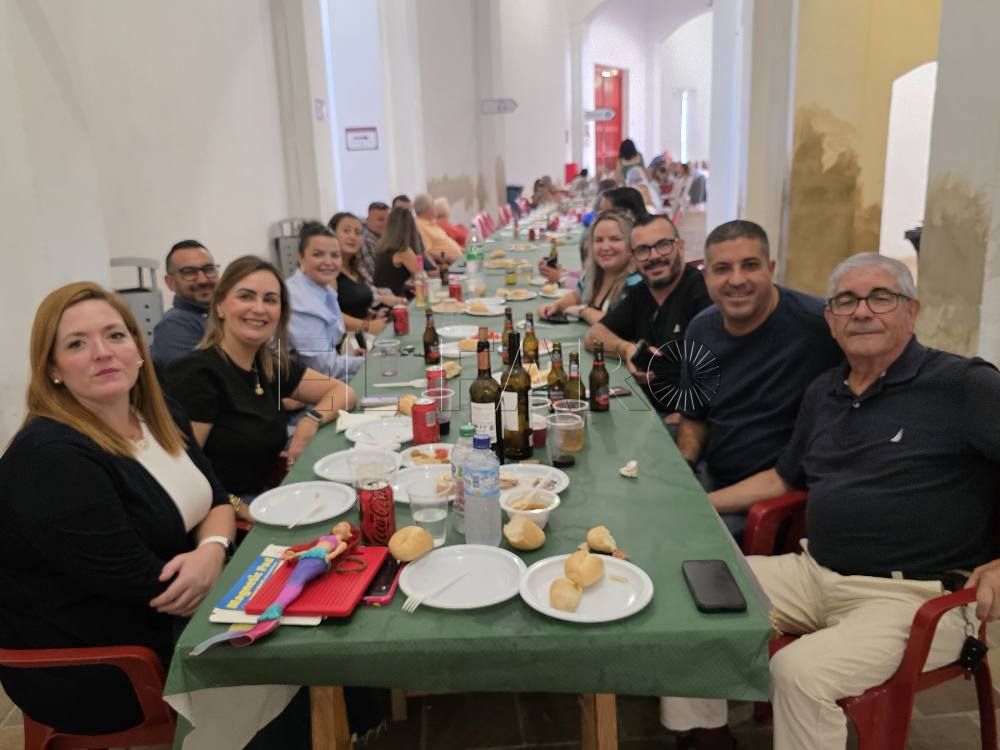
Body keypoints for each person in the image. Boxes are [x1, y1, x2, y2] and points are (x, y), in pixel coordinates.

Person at [663, 253, 1000, 750]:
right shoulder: (824, 392)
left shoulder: (963, 385)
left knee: (797, 672)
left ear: (912, 310)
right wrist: (700, 503)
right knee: (686, 590)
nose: (861, 311)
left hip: (919, 597)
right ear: (830, 319)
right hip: (814, 572)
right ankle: (706, 735)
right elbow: (783, 478)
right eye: (845, 301)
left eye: (880, 297)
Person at [0, 282, 235, 735]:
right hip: (100, 664)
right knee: (286, 644)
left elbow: (218, 499)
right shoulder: (53, 459)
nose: (103, 353)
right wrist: (219, 562)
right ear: (52, 368)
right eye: (76, 344)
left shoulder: (158, 414)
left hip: (167, 607)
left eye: (115, 335)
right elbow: (156, 589)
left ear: (138, 348)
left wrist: (213, 550)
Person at [674, 220, 843, 539]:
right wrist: (683, 469)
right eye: (722, 269)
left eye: (750, 265)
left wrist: (695, 504)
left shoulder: (820, 328)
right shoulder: (700, 330)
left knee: (677, 539)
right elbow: (694, 418)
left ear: (771, 268)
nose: (737, 280)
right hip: (712, 475)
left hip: (769, 503)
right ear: (706, 276)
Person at [167, 256, 356, 515]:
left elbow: (342, 392)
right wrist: (240, 508)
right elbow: (184, 472)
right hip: (226, 512)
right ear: (220, 305)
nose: (259, 308)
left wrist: (310, 421)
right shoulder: (197, 373)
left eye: (270, 300)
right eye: (246, 296)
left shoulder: (267, 364)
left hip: (270, 496)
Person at [585, 213, 711, 413]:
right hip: (644, 407)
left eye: (663, 245)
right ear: (633, 258)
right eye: (643, 250)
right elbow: (593, 336)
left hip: (680, 415)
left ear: (680, 247)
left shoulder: (702, 296)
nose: (653, 256)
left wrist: (686, 418)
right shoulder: (641, 293)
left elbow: (714, 374)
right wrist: (626, 348)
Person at [285, 222, 366, 382]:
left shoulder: (323, 288)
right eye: (318, 254)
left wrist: (351, 359)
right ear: (301, 257)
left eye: (335, 255)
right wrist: (371, 362)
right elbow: (324, 368)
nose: (328, 262)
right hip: (299, 388)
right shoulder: (300, 301)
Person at [537, 210, 640, 326]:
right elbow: (577, 296)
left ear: (631, 244)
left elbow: (620, 324)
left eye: (615, 239)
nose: (605, 247)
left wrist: (584, 311)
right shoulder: (592, 275)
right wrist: (557, 306)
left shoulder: (636, 284)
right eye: (599, 240)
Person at [151, 240, 218, 366]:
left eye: (208, 269)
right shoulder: (174, 327)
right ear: (170, 282)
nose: (203, 280)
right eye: (189, 272)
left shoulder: (223, 315)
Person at [373, 206, 424, 299]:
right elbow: (423, 279)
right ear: (410, 227)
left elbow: (390, 281)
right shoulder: (404, 251)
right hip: (397, 301)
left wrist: (409, 286)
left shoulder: (382, 249)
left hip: (384, 299)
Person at [413, 193, 462, 265]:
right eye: (433, 205)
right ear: (427, 209)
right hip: (449, 265)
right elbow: (426, 253)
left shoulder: (431, 222)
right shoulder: (420, 226)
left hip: (459, 262)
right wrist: (447, 258)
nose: (435, 208)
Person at [360, 201, 389, 279]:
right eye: (381, 220)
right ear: (367, 220)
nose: (386, 224)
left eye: (389, 220)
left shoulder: (382, 238)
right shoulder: (366, 240)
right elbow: (376, 273)